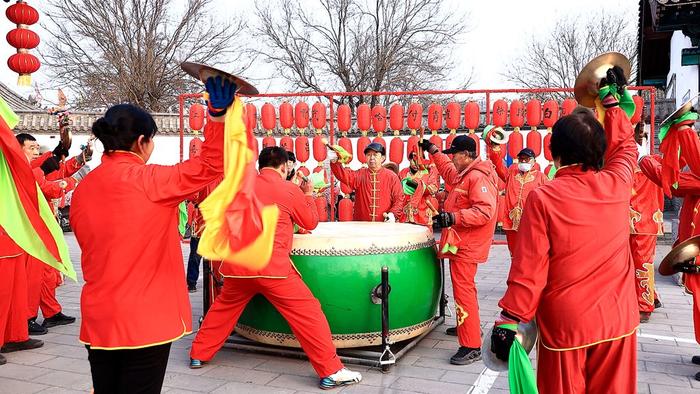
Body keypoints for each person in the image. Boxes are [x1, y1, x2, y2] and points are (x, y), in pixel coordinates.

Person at [70, 76, 230, 393]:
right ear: (142, 141)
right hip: (143, 320)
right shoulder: (151, 180)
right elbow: (213, 164)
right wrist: (217, 116)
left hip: (99, 316)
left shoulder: (84, 187)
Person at [492, 69, 638, 393]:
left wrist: (510, 317)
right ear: (600, 152)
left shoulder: (543, 197)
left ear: (555, 154)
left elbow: (529, 268)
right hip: (618, 320)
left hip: (567, 326)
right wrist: (611, 101)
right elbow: (626, 146)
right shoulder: (618, 183)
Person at [189, 147, 362, 390]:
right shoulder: (288, 189)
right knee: (308, 313)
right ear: (284, 167)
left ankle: (199, 353)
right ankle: (331, 370)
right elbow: (309, 222)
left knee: (223, 309)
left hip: (237, 266)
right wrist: (308, 195)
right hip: (272, 268)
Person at [418, 135, 498, 365]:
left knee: (464, 292)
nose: (451, 158)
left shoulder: (476, 177)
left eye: (455, 154)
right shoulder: (465, 173)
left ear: (466, 155)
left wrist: (453, 216)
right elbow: (447, 171)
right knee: (465, 291)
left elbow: (485, 211)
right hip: (462, 242)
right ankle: (468, 327)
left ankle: (471, 345)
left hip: (467, 245)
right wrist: (433, 150)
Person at [15, 133, 78, 335]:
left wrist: (73, 157)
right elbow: (48, 185)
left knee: (46, 274)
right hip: (27, 231)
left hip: (41, 228)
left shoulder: (33, 169)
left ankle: (49, 313)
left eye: (37, 149)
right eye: (31, 148)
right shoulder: (17, 170)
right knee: (31, 277)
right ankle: (25, 317)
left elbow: (56, 170)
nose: (36, 152)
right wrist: (68, 183)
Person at [629, 123, 663, 323]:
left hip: (645, 221)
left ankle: (644, 306)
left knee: (642, 263)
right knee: (636, 263)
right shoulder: (628, 160)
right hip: (631, 221)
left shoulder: (650, 161)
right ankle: (652, 297)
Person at [487, 146, 546, 257]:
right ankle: (517, 272)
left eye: (527, 159)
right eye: (521, 159)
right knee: (514, 253)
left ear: (534, 161)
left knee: (530, 253)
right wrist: (495, 149)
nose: (523, 161)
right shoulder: (511, 173)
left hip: (531, 222)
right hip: (511, 221)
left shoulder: (541, 177)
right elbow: (498, 165)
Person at [329, 142, 404, 222]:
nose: (371, 158)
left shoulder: (392, 177)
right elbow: (344, 175)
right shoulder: (360, 174)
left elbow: (399, 199)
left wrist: (393, 214)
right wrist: (335, 162)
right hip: (362, 226)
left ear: (382, 158)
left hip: (384, 225)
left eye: (375, 155)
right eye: (368, 155)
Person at [185, 176, 222, 292]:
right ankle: (218, 280)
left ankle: (192, 283)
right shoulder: (223, 175)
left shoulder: (202, 175)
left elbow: (192, 196)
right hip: (216, 222)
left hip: (202, 222)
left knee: (195, 256)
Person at [400, 150, 440, 227]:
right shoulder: (403, 172)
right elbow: (398, 190)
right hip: (405, 210)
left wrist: (419, 185)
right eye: (413, 160)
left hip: (423, 208)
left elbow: (434, 188)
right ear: (409, 160)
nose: (416, 163)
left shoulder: (429, 172)